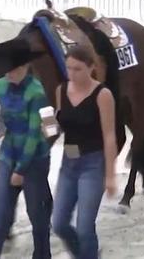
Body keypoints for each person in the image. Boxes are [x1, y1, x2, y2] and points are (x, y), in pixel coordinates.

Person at [0, 59, 53, 259]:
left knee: (37, 217)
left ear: (24, 67)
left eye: (11, 69)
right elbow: (5, 115)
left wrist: (21, 169)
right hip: (8, 155)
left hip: (34, 160)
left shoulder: (36, 93)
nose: (7, 73)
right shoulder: (1, 85)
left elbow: (33, 135)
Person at [52, 45, 117, 259]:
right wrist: (49, 126)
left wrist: (110, 175)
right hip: (69, 161)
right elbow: (60, 125)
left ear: (91, 68)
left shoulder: (102, 94)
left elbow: (109, 136)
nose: (72, 74)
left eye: (77, 69)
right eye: (69, 68)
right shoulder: (61, 90)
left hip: (93, 164)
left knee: (85, 227)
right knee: (59, 223)